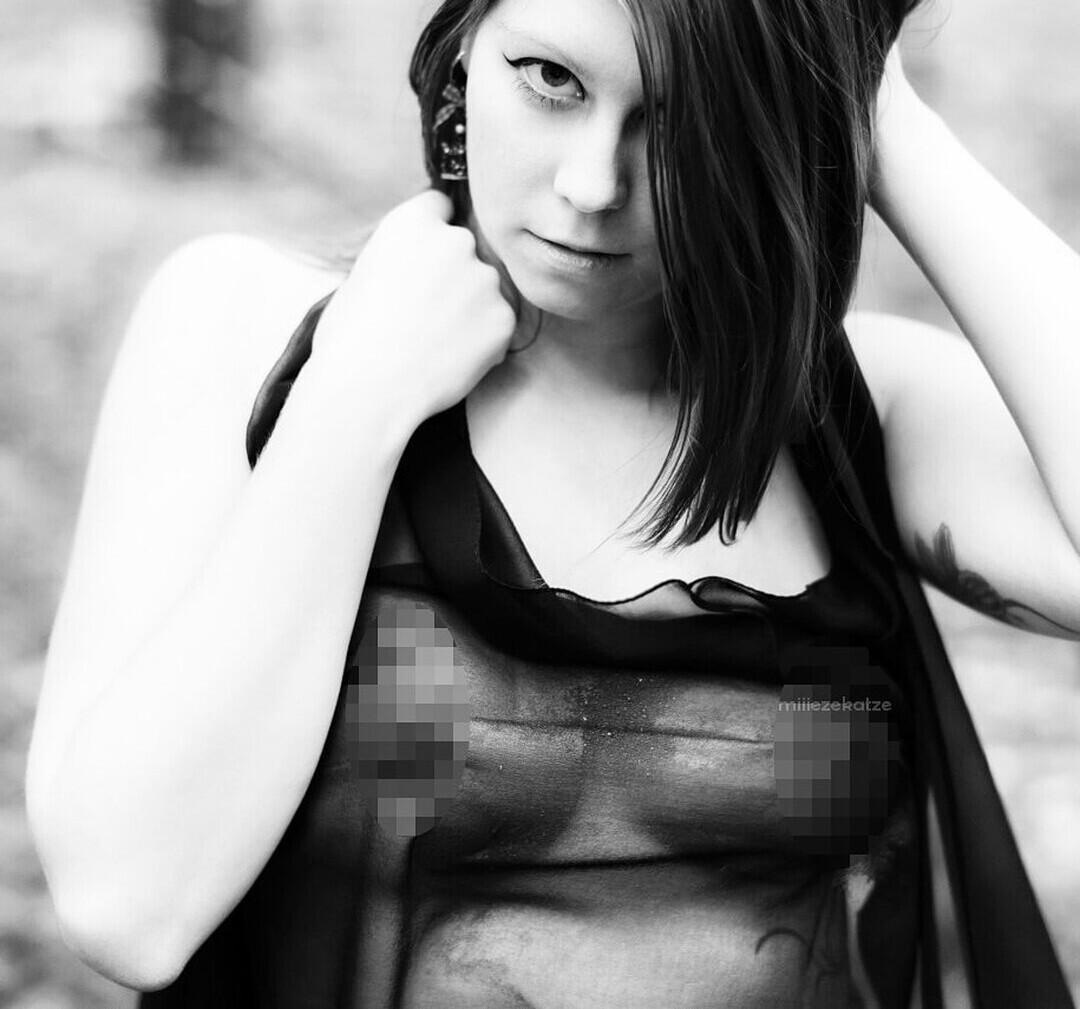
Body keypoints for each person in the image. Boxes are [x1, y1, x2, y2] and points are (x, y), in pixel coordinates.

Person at [23, 0, 1079, 1005]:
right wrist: (356, 401)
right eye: (550, 79)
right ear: (464, 44)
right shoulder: (245, 326)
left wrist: (869, 90)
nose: (591, 184)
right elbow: (125, 906)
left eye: (683, 115)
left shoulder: (854, 418)